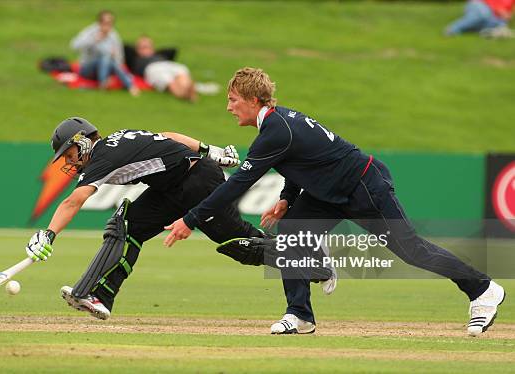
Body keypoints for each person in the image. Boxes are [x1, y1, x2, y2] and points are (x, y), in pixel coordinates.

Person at [164, 67, 506, 336]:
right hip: (329, 193)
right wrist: (286, 199)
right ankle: (299, 315)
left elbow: (238, 183)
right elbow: (300, 163)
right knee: (292, 233)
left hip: (364, 187)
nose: (228, 106)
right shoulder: (277, 125)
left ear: (255, 100)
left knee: (412, 250)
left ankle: (483, 290)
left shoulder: (275, 130)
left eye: (234, 99)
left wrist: (190, 220)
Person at [23, 117, 265, 320]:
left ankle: (298, 257)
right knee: (126, 226)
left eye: (69, 153)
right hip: (171, 187)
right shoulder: (116, 140)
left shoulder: (103, 157)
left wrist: (48, 234)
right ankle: (98, 296)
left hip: (199, 182)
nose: (68, 161)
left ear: (82, 141)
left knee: (241, 245)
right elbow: (166, 135)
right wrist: (210, 150)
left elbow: (73, 201)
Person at [71, 10, 140, 95]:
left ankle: (125, 85)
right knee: (105, 57)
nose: (107, 26)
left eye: (110, 23)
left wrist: (115, 56)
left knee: (108, 59)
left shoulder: (114, 36)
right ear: (99, 23)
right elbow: (74, 45)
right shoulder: (90, 32)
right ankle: (124, 85)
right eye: (105, 22)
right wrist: (93, 40)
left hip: (107, 68)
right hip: (87, 69)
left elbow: (120, 59)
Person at [132, 36, 218, 102]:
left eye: (148, 46)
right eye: (143, 47)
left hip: (169, 65)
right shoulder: (136, 59)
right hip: (153, 69)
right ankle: (186, 94)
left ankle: (188, 89)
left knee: (182, 72)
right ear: (137, 49)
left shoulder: (160, 55)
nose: (146, 49)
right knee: (169, 82)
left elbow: (173, 50)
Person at [445, 0, 514, 38]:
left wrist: (507, 15)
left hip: (494, 16)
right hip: (480, 4)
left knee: (500, 24)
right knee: (483, 15)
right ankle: (452, 29)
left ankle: (473, 29)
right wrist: (499, 10)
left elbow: (508, 11)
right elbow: (490, 2)